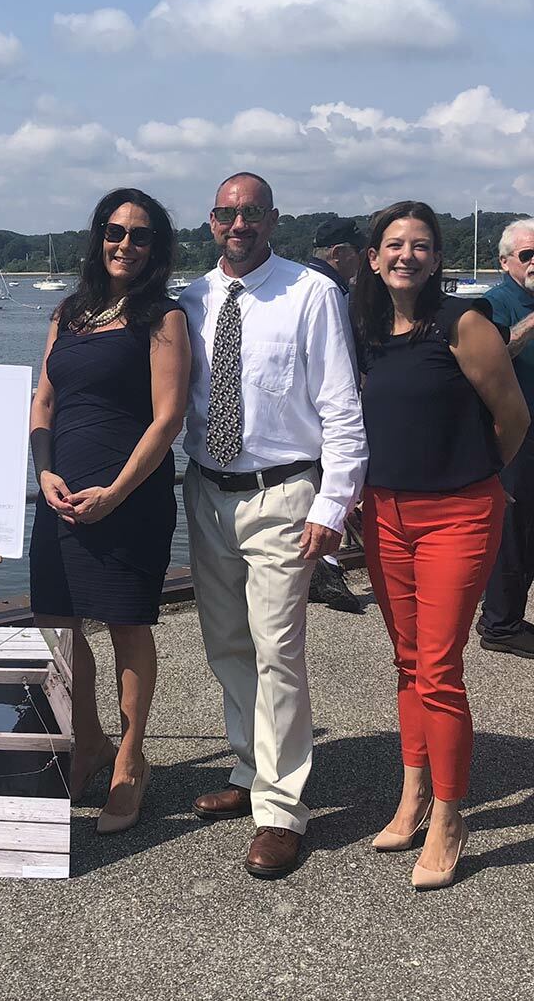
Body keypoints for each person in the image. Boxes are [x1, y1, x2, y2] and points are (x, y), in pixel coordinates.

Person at [178, 172, 367, 879]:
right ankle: (250, 763)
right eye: (227, 212)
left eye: (251, 212)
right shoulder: (193, 300)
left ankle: (283, 808)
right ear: (211, 220)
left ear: (272, 219)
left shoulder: (310, 292)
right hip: (205, 490)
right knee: (226, 641)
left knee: (277, 648)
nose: (239, 223)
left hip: (282, 492)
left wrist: (333, 504)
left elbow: (343, 407)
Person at [353, 201, 528, 890]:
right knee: (405, 660)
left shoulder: (463, 324)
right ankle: (414, 792)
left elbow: (513, 417)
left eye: (421, 245)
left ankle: (451, 817)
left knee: (439, 665)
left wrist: (489, 485)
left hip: (457, 513)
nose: (406, 255)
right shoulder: (368, 331)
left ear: (437, 257)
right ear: (374, 257)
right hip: (384, 512)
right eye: (393, 244)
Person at [29, 188, 191, 834]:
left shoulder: (163, 316)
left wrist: (116, 492)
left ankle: (131, 757)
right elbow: (43, 402)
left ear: (156, 248)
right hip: (60, 494)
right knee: (58, 620)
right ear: (99, 237)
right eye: (115, 231)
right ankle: (89, 737)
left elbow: (168, 416)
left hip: (130, 495)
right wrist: (43, 470)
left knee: (126, 624)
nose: (125, 243)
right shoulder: (68, 312)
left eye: (140, 235)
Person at [305, 217, 369, 614]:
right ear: (339, 254)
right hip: (321, 421)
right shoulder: (330, 290)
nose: (363, 262)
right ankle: (326, 567)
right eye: (360, 254)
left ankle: (325, 567)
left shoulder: (301, 283)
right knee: (327, 484)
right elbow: (342, 365)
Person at [478, 218, 534, 657]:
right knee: (514, 533)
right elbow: (494, 356)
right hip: (515, 437)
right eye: (527, 255)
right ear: (505, 261)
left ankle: (508, 615)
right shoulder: (496, 304)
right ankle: (500, 623)